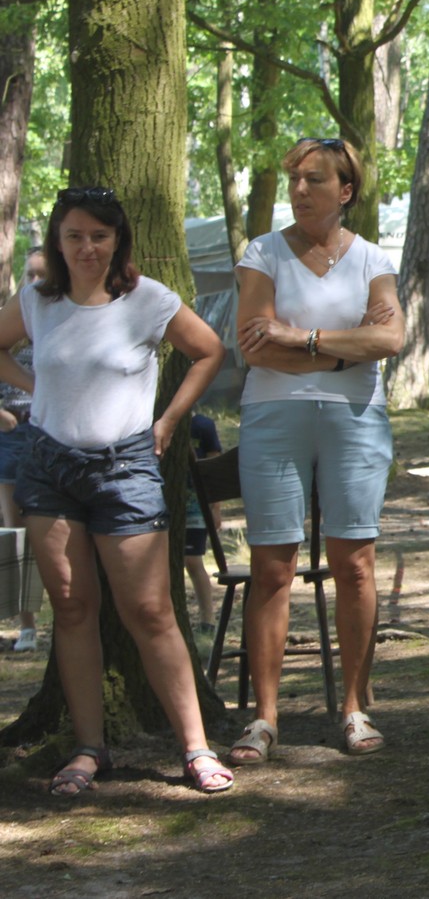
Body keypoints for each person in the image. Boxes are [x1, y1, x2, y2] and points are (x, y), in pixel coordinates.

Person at [0, 187, 230, 795]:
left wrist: (169, 422)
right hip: (49, 467)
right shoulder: (37, 301)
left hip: (125, 469)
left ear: (118, 241)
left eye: (99, 236)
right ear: (57, 240)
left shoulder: (146, 299)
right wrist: (34, 391)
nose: (86, 248)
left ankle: (196, 748)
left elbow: (208, 351)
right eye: (74, 236)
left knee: (151, 612)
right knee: (73, 610)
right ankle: (87, 749)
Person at [228, 137, 403, 765]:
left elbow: (392, 336)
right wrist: (340, 351)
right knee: (272, 565)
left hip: (356, 420)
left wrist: (302, 338)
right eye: (295, 179)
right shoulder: (263, 252)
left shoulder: (373, 259)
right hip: (274, 416)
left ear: (346, 191)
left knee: (354, 563)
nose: (300, 190)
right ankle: (264, 717)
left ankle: (355, 707)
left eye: (316, 179)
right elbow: (255, 345)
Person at [3, 247, 45, 652]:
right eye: (28, 275)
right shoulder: (10, 323)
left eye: (42, 275)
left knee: (50, 529)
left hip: (52, 432)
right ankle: (26, 625)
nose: (34, 283)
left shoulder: (60, 320)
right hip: (11, 437)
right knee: (14, 532)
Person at [182, 412, 222, 648]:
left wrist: (215, 508)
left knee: (193, 561)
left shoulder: (204, 425)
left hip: (197, 505)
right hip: (167, 503)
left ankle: (207, 619)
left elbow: (213, 468)